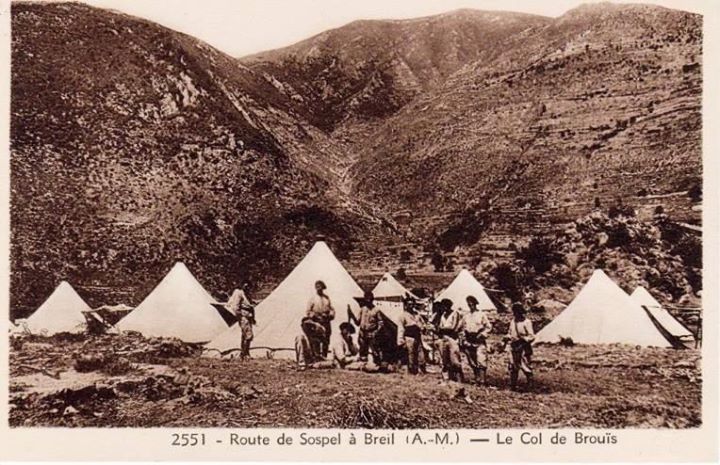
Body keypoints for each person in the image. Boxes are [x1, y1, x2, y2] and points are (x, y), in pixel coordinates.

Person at [460, 295, 492, 385]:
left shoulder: (481, 315)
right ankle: (477, 378)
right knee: (472, 360)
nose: (471, 306)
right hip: (469, 339)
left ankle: (482, 380)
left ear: (475, 304)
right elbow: (462, 328)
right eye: (469, 304)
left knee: (481, 360)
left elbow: (488, 327)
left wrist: (482, 334)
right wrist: (463, 338)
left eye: (472, 304)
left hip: (479, 340)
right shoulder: (466, 316)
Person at [503, 302, 535, 391]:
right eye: (514, 312)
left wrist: (523, 339)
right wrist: (507, 337)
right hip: (514, 346)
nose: (515, 314)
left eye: (517, 312)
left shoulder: (527, 322)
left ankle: (530, 384)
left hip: (523, 346)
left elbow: (531, 336)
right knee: (513, 365)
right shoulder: (513, 322)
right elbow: (510, 333)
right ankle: (513, 385)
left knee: (525, 365)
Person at [349, 290, 383, 362]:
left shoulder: (376, 310)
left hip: (371, 332)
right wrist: (352, 315)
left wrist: (376, 332)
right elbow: (358, 322)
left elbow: (380, 323)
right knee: (363, 349)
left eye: (370, 300)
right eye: (367, 300)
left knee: (374, 350)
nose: (368, 301)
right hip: (362, 332)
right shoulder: (363, 309)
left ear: (372, 300)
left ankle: (376, 364)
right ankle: (363, 364)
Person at [437, 299, 464, 382]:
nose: (444, 308)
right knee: (444, 359)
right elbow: (440, 327)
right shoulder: (443, 315)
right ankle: (447, 378)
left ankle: (459, 378)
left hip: (452, 338)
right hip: (444, 338)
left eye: (446, 306)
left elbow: (453, 328)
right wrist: (441, 329)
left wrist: (442, 328)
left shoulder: (455, 314)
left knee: (454, 359)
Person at [397, 295, 425, 374]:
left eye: (412, 304)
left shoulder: (417, 314)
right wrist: (401, 341)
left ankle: (421, 370)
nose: (411, 306)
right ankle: (412, 371)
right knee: (411, 354)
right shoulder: (403, 316)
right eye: (409, 304)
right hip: (409, 337)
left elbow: (422, 323)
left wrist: (422, 327)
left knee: (420, 354)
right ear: (405, 305)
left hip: (417, 336)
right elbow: (401, 329)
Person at [306, 280, 335, 358]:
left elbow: (331, 309)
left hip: (326, 321)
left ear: (323, 288)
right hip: (317, 321)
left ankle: (325, 355)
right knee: (317, 339)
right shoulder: (313, 298)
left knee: (326, 339)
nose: (319, 288)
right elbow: (308, 311)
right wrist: (315, 316)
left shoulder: (326, 298)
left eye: (320, 287)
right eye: (317, 287)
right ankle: (317, 355)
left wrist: (330, 315)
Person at [226, 287, 256, 360]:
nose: (247, 286)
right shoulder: (239, 293)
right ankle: (244, 354)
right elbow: (235, 307)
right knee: (248, 335)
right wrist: (241, 315)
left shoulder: (246, 293)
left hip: (248, 316)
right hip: (244, 317)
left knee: (245, 335)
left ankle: (245, 353)